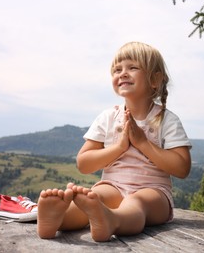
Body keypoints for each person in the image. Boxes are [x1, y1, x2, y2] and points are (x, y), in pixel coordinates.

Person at [37, 41, 192, 242]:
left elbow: (181, 168)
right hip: (113, 185)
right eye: (117, 69)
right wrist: (120, 147)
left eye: (133, 67)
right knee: (96, 197)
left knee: (137, 202)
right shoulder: (108, 118)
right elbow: (84, 163)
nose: (123, 73)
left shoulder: (166, 120)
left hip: (154, 192)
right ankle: (58, 220)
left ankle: (113, 220)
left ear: (155, 79)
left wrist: (143, 143)